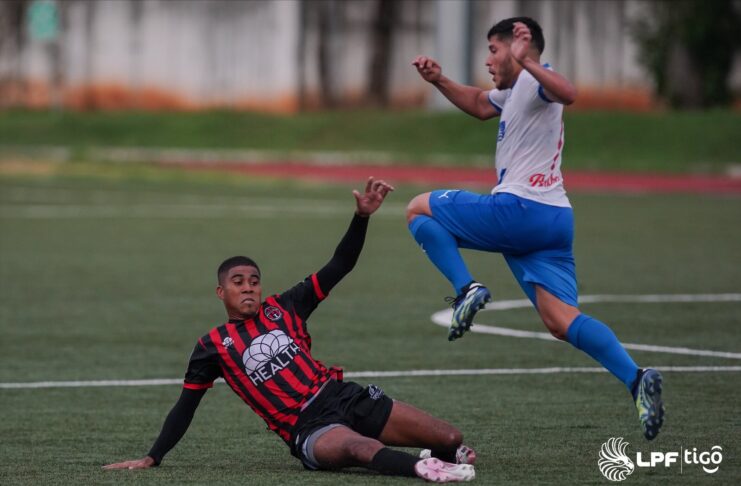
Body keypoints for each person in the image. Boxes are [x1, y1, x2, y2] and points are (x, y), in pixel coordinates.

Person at [103, 178, 476, 482]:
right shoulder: (212, 346)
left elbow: (340, 265)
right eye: (238, 282)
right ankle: (423, 469)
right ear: (221, 292)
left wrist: (361, 217)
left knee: (450, 436)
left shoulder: (286, 306)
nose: (248, 287)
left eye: (254, 281)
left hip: (343, 397)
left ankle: (437, 453)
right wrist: (153, 456)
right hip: (308, 427)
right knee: (359, 448)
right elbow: (185, 407)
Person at [407, 17, 664, 441]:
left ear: (518, 48)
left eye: (494, 50)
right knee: (560, 321)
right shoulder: (515, 90)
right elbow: (478, 103)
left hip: (519, 209)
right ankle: (636, 378)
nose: (488, 60)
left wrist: (528, 61)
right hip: (554, 220)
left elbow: (568, 93)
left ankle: (466, 288)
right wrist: (439, 80)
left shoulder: (534, 79)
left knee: (418, 210)